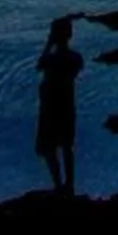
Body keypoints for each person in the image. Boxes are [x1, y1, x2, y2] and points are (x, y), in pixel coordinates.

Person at [34, 15, 84, 193]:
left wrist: (48, 44)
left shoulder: (50, 60)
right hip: (67, 105)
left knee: (49, 147)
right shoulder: (76, 58)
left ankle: (58, 184)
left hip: (50, 107)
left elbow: (39, 66)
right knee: (66, 145)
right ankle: (69, 184)